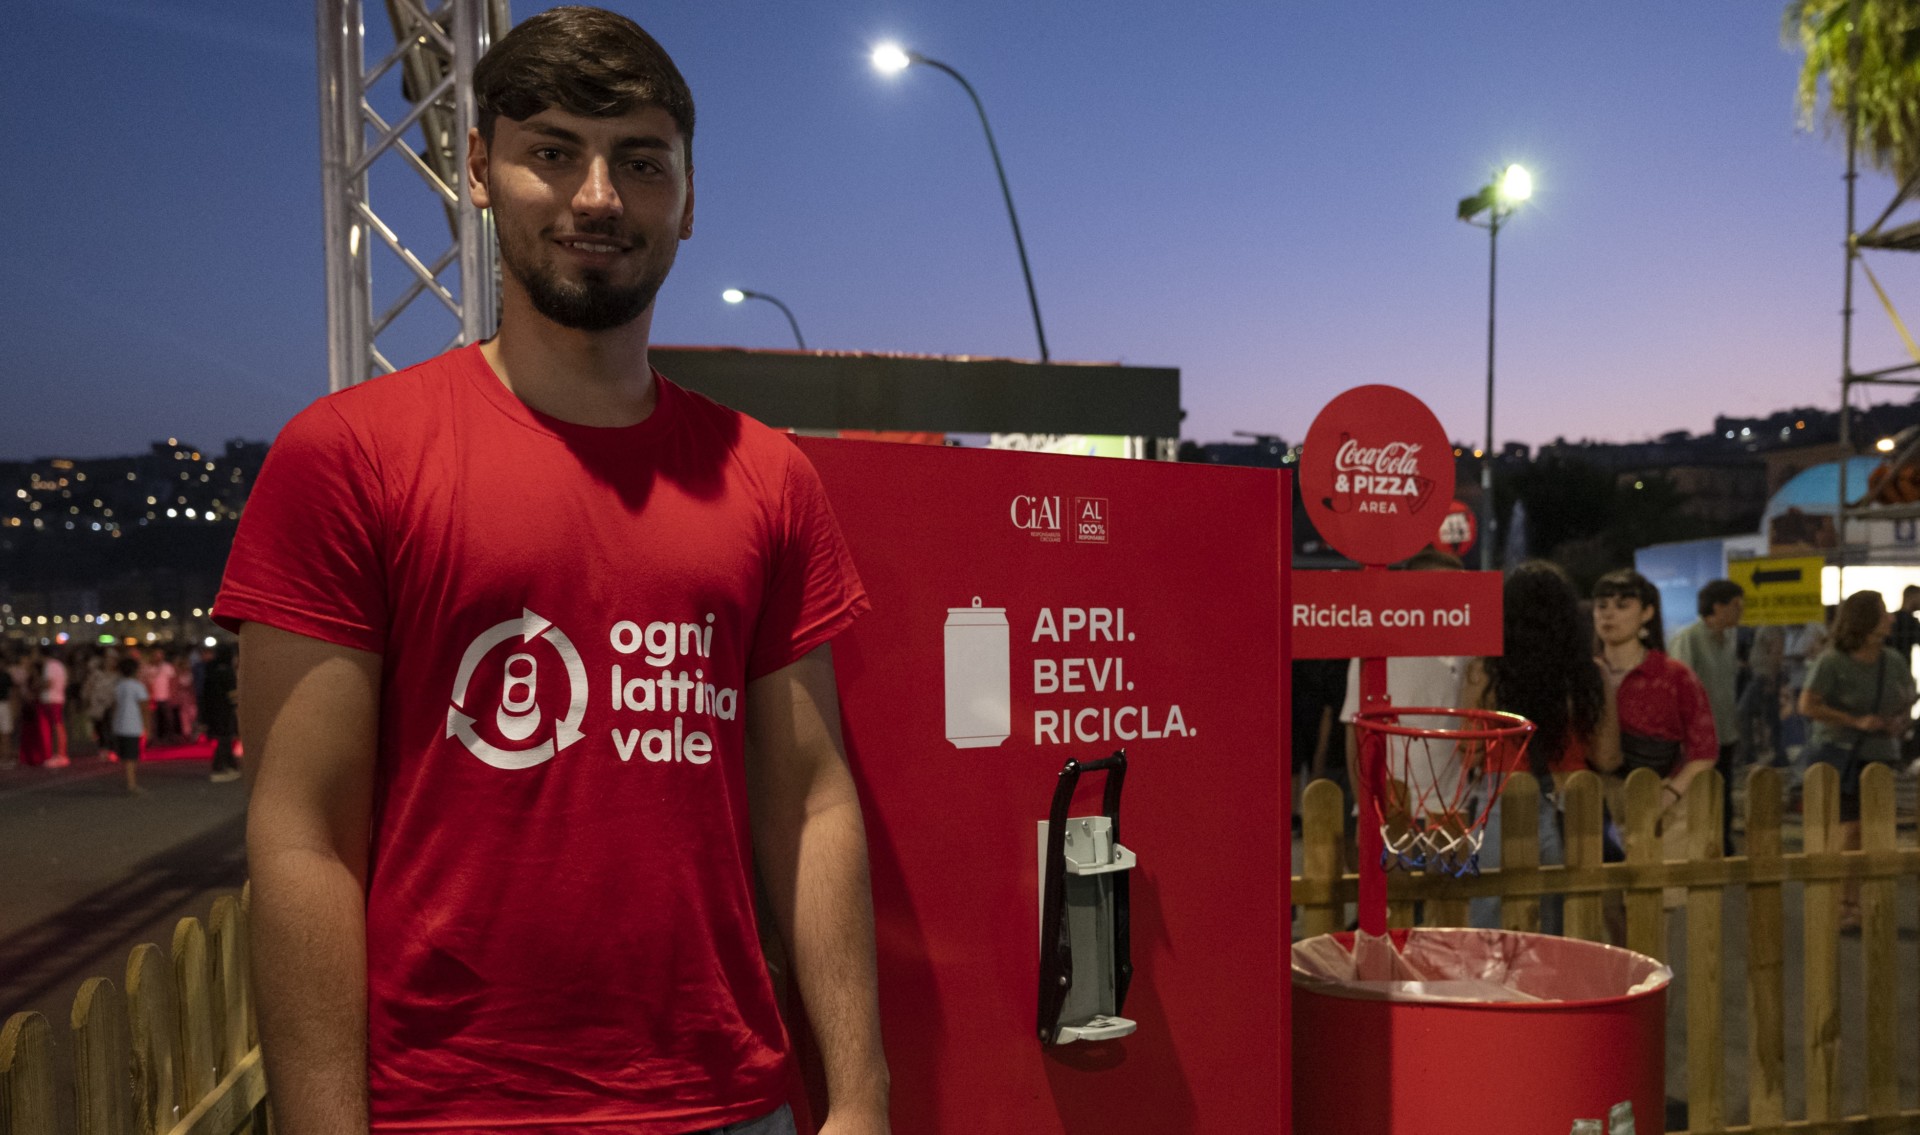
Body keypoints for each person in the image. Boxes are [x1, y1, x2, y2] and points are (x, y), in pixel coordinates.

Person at [213, 10, 889, 1134]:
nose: (597, 197)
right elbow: (301, 840)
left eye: (639, 160)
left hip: (724, 1104)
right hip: (446, 1110)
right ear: (479, 169)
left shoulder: (770, 479)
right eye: (553, 151)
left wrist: (860, 1098)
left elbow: (813, 807)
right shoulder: (345, 457)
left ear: (686, 194)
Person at [1463, 561, 1620, 932]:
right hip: (1572, 807)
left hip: (1503, 803)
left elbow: (1470, 752)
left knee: (1494, 929)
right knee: (1569, 931)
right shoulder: (1591, 674)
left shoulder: (1484, 670)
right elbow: (1608, 756)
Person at [1592, 569, 1717, 910]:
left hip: (1661, 801)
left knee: (1648, 911)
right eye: (1601, 605)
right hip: (1594, 803)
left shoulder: (1674, 676)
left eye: (1622, 605)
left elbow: (1704, 749)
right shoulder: (1583, 675)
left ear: (1647, 612)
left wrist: (1672, 791)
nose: (1609, 613)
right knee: (1594, 910)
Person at [1798, 589, 1916, 932]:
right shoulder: (1833, 660)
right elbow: (1809, 705)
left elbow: (1906, 699)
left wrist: (1899, 722)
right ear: (1865, 620)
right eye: (1884, 613)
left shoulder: (1891, 660)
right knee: (1849, 830)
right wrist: (1855, 721)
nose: (1892, 618)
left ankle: (1859, 902)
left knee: (1872, 833)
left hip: (1879, 758)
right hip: (1841, 755)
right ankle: (1842, 902)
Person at [1339, 550, 1468, 840]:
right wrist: (1365, 807)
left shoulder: (1467, 651)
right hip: (1390, 808)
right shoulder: (1376, 649)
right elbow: (1355, 733)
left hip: (1451, 807)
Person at [1668, 579, 1744, 853]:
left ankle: (1721, 844)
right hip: (1698, 738)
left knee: (1722, 794)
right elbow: (1679, 689)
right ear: (1718, 607)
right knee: (1700, 794)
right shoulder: (1689, 639)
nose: (1740, 612)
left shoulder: (1728, 641)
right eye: (1736, 606)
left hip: (1724, 732)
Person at [107, 655, 151, 794]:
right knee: (132, 757)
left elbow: (114, 706)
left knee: (126, 756)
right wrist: (147, 727)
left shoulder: (118, 686)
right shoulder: (138, 687)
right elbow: (144, 708)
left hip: (120, 725)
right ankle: (131, 784)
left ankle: (129, 781)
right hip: (133, 725)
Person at [198, 644, 240, 782]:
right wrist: (237, 706)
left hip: (212, 710)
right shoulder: (227, 672)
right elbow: (232, 694)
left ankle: (231, 766)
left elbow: (204, 693)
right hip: (225, 710)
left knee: (224, 738)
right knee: (225, 738)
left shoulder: (212, 670)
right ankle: (219, 768)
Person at [39, 645, 70, 767]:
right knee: (57, 726)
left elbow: (48, 683)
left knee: (56, 727)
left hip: (52, 699)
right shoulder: (59, 665)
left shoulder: (50, 665)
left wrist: (37, 687)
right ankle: (59, 754)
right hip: (57, 698)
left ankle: (60, 755)